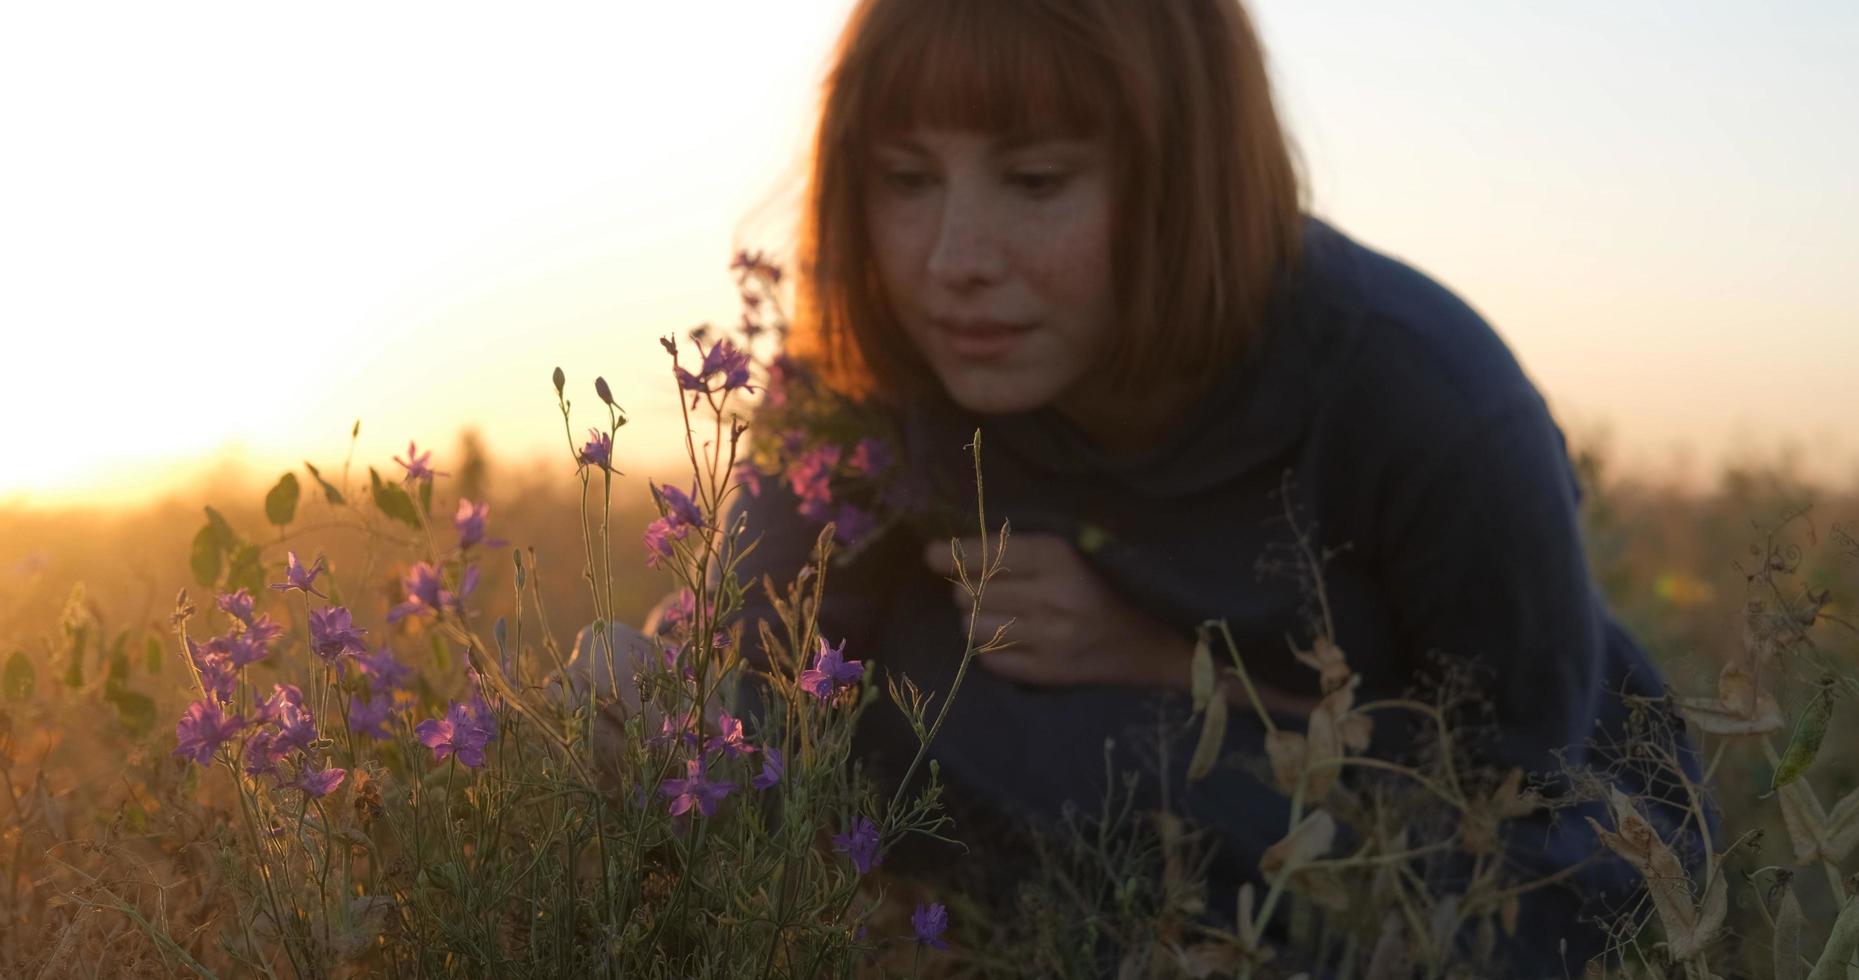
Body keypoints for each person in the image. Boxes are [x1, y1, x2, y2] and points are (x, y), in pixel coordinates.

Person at [589, 0, 1710, 974]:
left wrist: (1170, 661)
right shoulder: (863, 376)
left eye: (1035, 180)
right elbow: (739, 693)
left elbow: (1523, 799)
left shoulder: (1430, 399)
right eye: (904, 180)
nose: (952, 257)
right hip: (1048, 853)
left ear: (1188, 174)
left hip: (1443, 856)